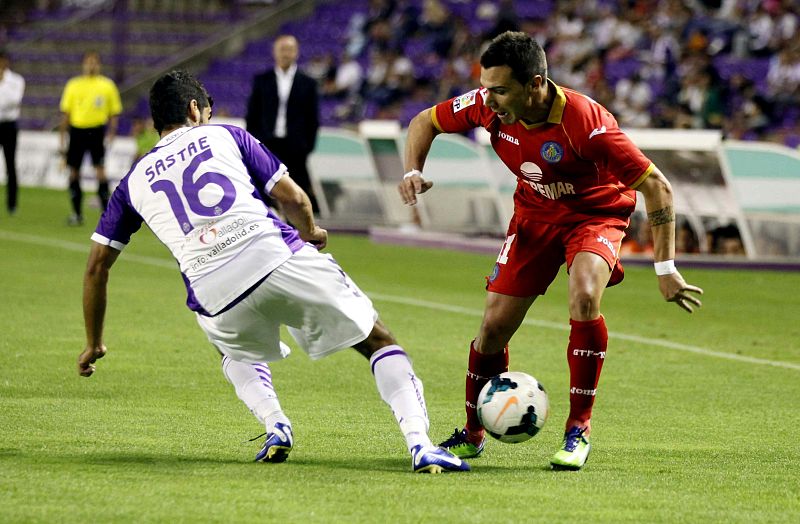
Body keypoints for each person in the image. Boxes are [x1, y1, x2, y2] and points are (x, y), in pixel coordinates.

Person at [77, 70, 468, 474]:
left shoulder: (132, 181)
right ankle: (420, 444)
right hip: (275, 257)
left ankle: (276, 424)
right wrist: (311, 232)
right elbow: (293, 198)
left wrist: (93, 343)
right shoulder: (227, 135)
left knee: (230, 347)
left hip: (213, 291)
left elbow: (95, 268)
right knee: (376, 338)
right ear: (195, 110)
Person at [398, 32, 704, 471]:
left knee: (583, 294)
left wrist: (666, 266)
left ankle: (578, 428)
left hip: (595, 215)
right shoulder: (488, 104)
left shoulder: (586, 124)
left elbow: (657, 186)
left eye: (501, 90)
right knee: (493, 327)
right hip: (534, 217)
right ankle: (472, 433)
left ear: (535, 84)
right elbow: (424, 121)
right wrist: (413, 170)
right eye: (487, 87)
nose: (490, 100)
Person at [245, 35, 321, 214]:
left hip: (296, 147)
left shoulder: (308, 83)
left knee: (297, 192)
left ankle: (300, 233)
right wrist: (255, 143)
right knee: (264, 188)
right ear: (274, 52)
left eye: (289, 50)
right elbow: (252, 115)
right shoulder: (261, 81)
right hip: (267, 144)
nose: (285, 54)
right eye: (282, 50)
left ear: (296, 52)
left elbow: (313, 119)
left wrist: (306, 146)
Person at [59, 51, 122, 226]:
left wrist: (111, 132)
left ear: (99, 64)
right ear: (83, 64)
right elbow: (65, 113)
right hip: (77, 130)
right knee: (74, 172)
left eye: (94, 62)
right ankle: (77, 213)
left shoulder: (107, 85)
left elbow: (114, 113)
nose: (91, 65)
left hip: (96, 131)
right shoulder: (73, 85)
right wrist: (62, 136)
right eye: (88, 62)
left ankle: (107, 215)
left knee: (100, 170)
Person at [0, 50, 25, 215]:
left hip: (9, 125)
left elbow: (13, 101)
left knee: (10, 164)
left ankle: (12, 204)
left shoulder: (16, 80)